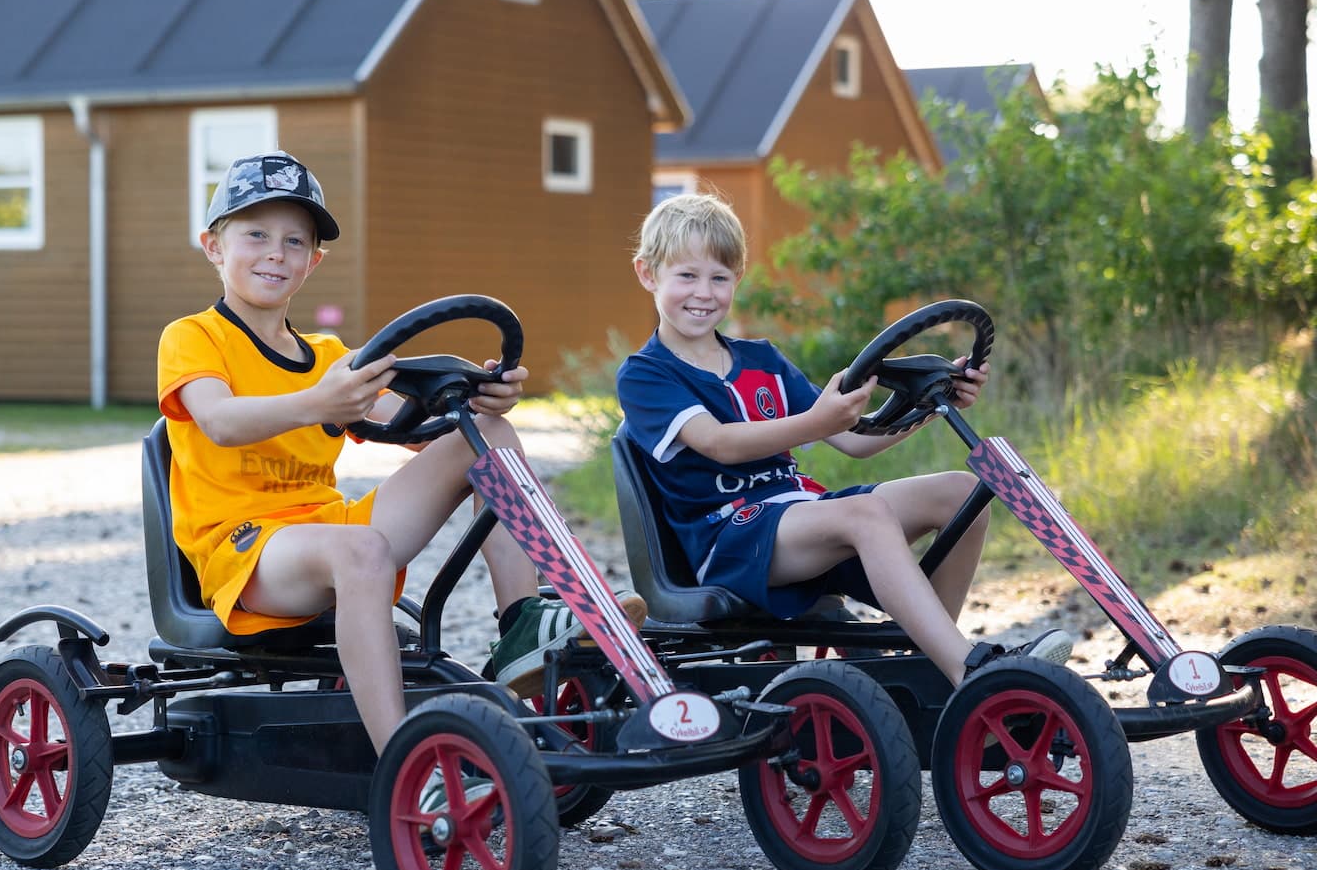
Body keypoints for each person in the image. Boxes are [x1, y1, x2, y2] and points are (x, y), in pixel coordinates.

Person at [156, 150, 644, 784]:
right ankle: (404, 767)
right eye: (255, 234)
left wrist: (475, 395)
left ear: (313, 261)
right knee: (358, 551)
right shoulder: (193, 337)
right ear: (213, 246)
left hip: (331, 528)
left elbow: (415, 425)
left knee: (487, 435)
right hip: (245, 549)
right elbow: (219, 421)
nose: (275, 253)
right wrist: (318, 402)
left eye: (294, 241)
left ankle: (522, 622)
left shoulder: (330, 356)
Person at [615, 193, 1070, 687]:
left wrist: (935, 399)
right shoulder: (645, 374)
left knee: (962, 492)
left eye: (719, 278)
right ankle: (968, 670)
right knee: (865, 513)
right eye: (687, 276)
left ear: (736, 280)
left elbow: (855, 440)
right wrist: (818, 421)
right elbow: (719, 443)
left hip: (798, 515)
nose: (703, 292)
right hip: (729, 539)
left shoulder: (762, 359)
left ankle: (930, 663)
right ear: (647, 274)